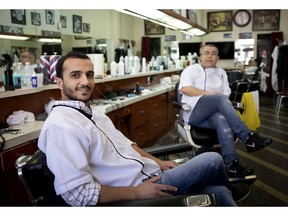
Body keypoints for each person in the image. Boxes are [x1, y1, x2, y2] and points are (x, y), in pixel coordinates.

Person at [37, 51, 246, 207]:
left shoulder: (94, 114)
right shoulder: (61, 126)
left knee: (219, 192)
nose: (85, 82)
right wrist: (137, 193)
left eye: (89, 75)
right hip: (132, 195)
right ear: (59, 82)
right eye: (75, 75)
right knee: (212, 159)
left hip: (149, 175)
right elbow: (79, 194)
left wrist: (159, 162)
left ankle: (224, 188)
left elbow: (128, 145)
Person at [178, 44, 273, 178]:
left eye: (213, 53)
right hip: (194, 113)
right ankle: (248, 137)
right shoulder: (191, 70)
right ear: (200, 56)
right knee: (220, 99)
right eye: (206, 53)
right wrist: (210, 95)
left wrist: (217, 99)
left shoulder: (221, 73)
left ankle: (231, 165)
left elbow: (226, 94)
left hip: (213, 115)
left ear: (218, 57)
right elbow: (185, 89)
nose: (210, 56)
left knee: (222, 120)